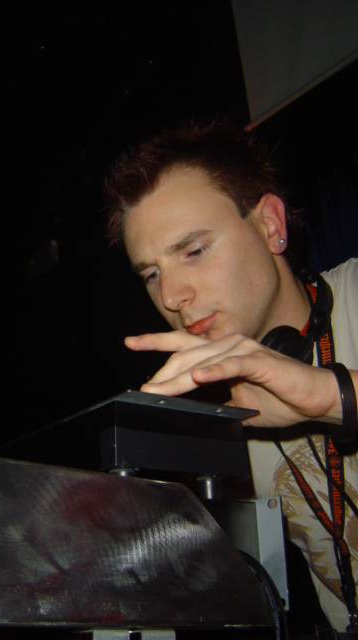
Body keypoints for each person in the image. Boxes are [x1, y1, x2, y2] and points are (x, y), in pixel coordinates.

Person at [104, 120, 358, 633]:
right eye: (151, 274)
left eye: (194, 251)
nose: (171, 296)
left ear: (269, 225)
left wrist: (331, 393)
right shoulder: (217, 412)